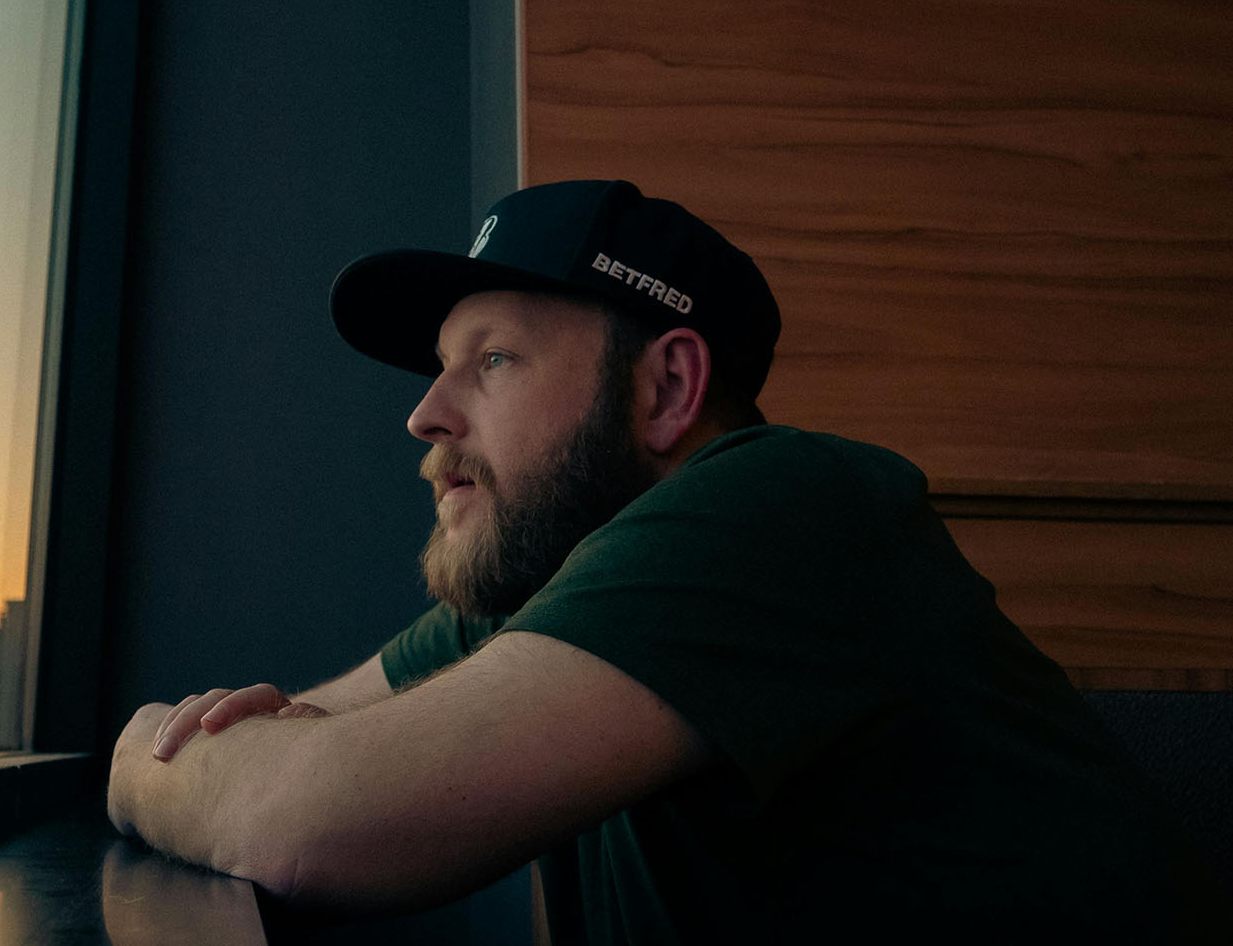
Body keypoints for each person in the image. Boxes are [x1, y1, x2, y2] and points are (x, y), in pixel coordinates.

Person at [108, 180, 1223, 942]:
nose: (424, 416)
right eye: (439, 368)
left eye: (491, 360)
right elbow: (251, 745)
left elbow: (314, 819)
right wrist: (220, 765)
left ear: (667, 390)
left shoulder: (781, 506)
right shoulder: (548, 577)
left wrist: (190, 764)